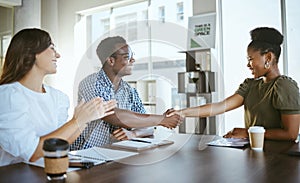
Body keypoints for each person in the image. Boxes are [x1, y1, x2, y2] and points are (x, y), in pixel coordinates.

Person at [0, 28, 117, 167]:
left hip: (48, 172)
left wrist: (85, 120)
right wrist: (76, 121)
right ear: (33, 53)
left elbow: (62, 143)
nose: (58, 55)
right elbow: (32, 152)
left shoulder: (58, 97)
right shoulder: (7, 96)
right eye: (52, 48)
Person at [167, 27, 300, 141]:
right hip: (254, 154)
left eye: (251, 59)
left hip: (279, 158)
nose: (248, 65)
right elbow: (220, 106)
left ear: (268, 57)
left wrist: (247, 133)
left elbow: (291, 134)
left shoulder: (284, 86)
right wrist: (182, 112)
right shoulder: (250, 85)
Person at [70, 36, 181, 150]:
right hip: (85, 155)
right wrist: (161, 119)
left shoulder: (129, 90)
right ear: (111, 61)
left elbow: (148, 125)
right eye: (127, 57)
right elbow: (113, 115)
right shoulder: (91, 83)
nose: (132, 60)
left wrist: (134, 134)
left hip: (116, 155)